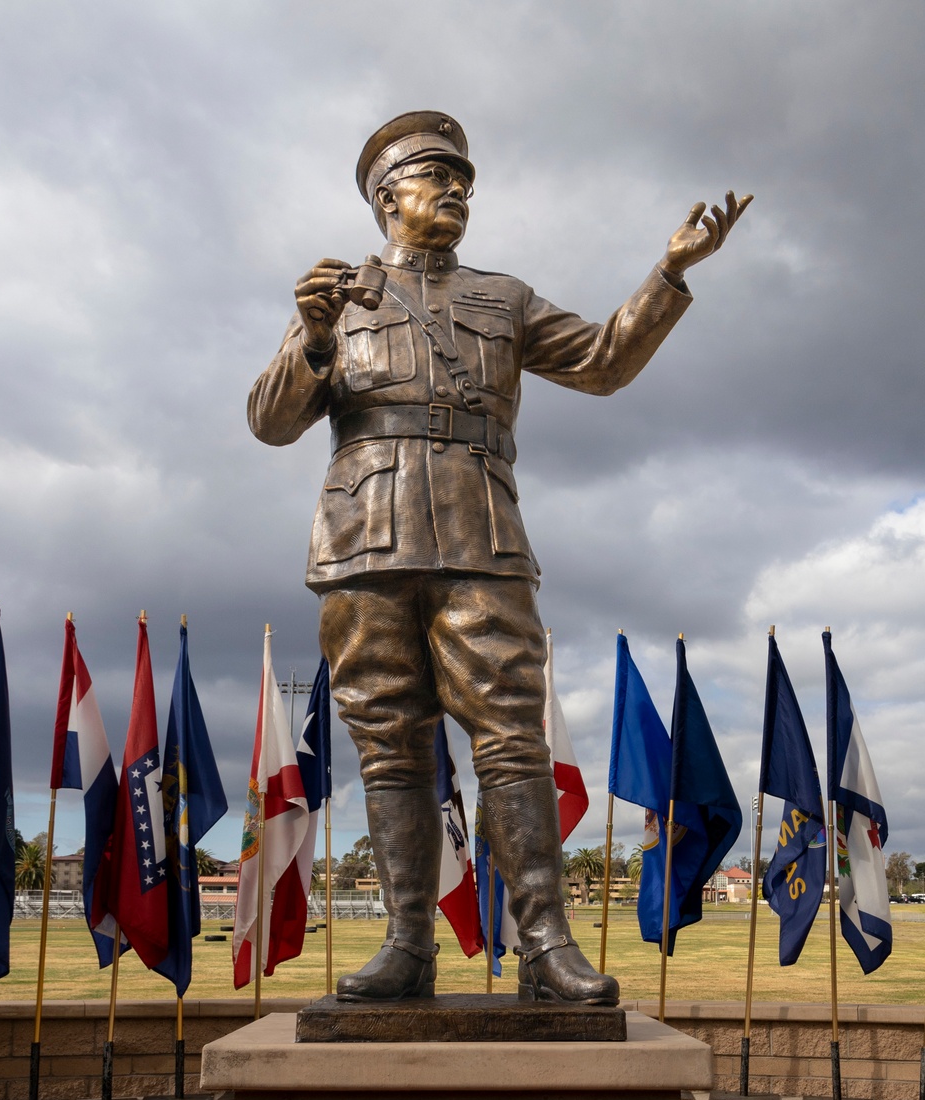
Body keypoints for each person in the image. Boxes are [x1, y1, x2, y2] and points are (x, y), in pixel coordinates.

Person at [249, 111, 750, 1004]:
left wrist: (668, 274)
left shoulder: (503, 298)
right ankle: (406, 945)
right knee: (390, 749)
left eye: (464, 182)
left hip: (482, 537)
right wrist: (315, 336)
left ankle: (546, 945)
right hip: (364, 544)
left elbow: (601, 362)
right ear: (385, 198)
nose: (456, 192)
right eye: (435, 177)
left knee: (512, 742)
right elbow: (272, 422)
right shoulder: (334, 297)